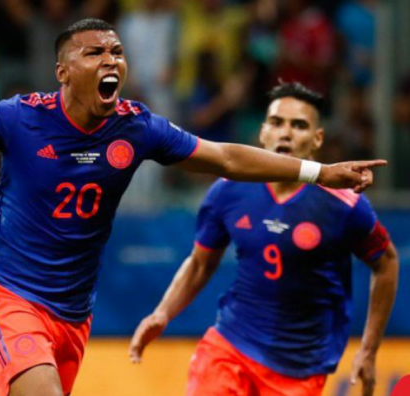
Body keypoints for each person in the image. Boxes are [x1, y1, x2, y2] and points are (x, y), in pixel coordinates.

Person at [0, 19, 386, 396]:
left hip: (73, 315)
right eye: (95, 53)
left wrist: (319, 172)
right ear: (63, 70)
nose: (112, 61)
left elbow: (226, 157)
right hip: (6, 292)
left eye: (117, 51)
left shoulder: (137, 128)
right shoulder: (18, 118)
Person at [129, 82, 398, 396]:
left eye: (299, 125)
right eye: (276, 122)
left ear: (317, 139)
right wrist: (163, 312)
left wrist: (369, 348)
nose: (286, 133)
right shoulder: (227, 190)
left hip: (300, 368)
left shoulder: (344, 204)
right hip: (229, 347)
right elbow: (201, 264)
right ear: (262, 132)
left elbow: (387, 263)